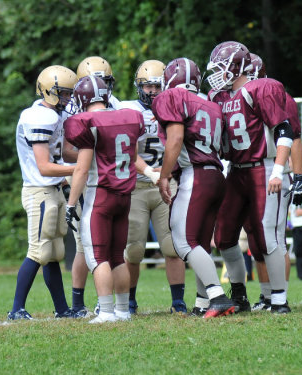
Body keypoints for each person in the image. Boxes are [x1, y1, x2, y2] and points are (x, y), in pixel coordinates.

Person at [207, 41, 294, 313]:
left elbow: (285, 131)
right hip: (236, 170)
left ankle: (279, 299)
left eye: (222, 68)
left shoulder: (261, 88)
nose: (217, 74)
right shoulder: (219, 96)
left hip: (263, 167)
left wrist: (279, 170)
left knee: (268, 235)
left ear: (237, 67)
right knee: (224, 236)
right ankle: (239, 294)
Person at [152, 57, 235, 318]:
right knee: (200, 242)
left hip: (195, 175)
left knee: (183, 241)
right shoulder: (209, 104)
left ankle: (217, 296)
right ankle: (202, 303)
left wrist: (164, 175)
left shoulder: (172, 97)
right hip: (215, 175)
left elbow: (175, 138)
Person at [64, 75, 145, 323]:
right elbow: (134, 156)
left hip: (101, 195)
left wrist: (70, 204)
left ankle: (107, 312)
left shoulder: (86, 121)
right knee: (118, 256)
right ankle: (122, 311)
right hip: (124, 196)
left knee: (97, 257)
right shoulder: (128, 116)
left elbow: (81, 168)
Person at [8, 65, 77, 320]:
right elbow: (45, 166)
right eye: (64, 93)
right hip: (39, 190)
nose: (68, 99)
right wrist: (78, 169)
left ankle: (62, 309)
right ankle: (16, 309)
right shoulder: (38, 117)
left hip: (53, 189)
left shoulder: (54, 115)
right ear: (49, 92)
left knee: (53, 254)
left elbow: (63, 154)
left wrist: (87, 160)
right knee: (38, 250)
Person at [120, 60, 187, 314]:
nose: (151, 91)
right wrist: (149, 171)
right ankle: (130, 301)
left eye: (157, 86)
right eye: (147, 86)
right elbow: (127, 149)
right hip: (137, 185)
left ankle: (178, 302)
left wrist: (166, 175)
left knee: (172, 246)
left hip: (167, 184)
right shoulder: (126, 109)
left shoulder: (177, 107)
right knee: (134, 249)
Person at [245, 53, 302, 311]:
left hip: (274, 170)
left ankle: (280, 295)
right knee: (257, 239)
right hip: (250, 171)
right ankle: (266, 295)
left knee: (275, 237)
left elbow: (293, 137)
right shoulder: (240, 97)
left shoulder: (276, 94)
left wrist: (299, 177)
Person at [63, 56, 121, 318]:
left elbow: (81, 161)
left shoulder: (99, 109)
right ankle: (85, 303)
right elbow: (67, 152)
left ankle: (109, 307)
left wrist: (96, 157)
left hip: (98, 187)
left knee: (98, 251)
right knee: (92, 248)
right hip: (117, 186)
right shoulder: (119, 111)